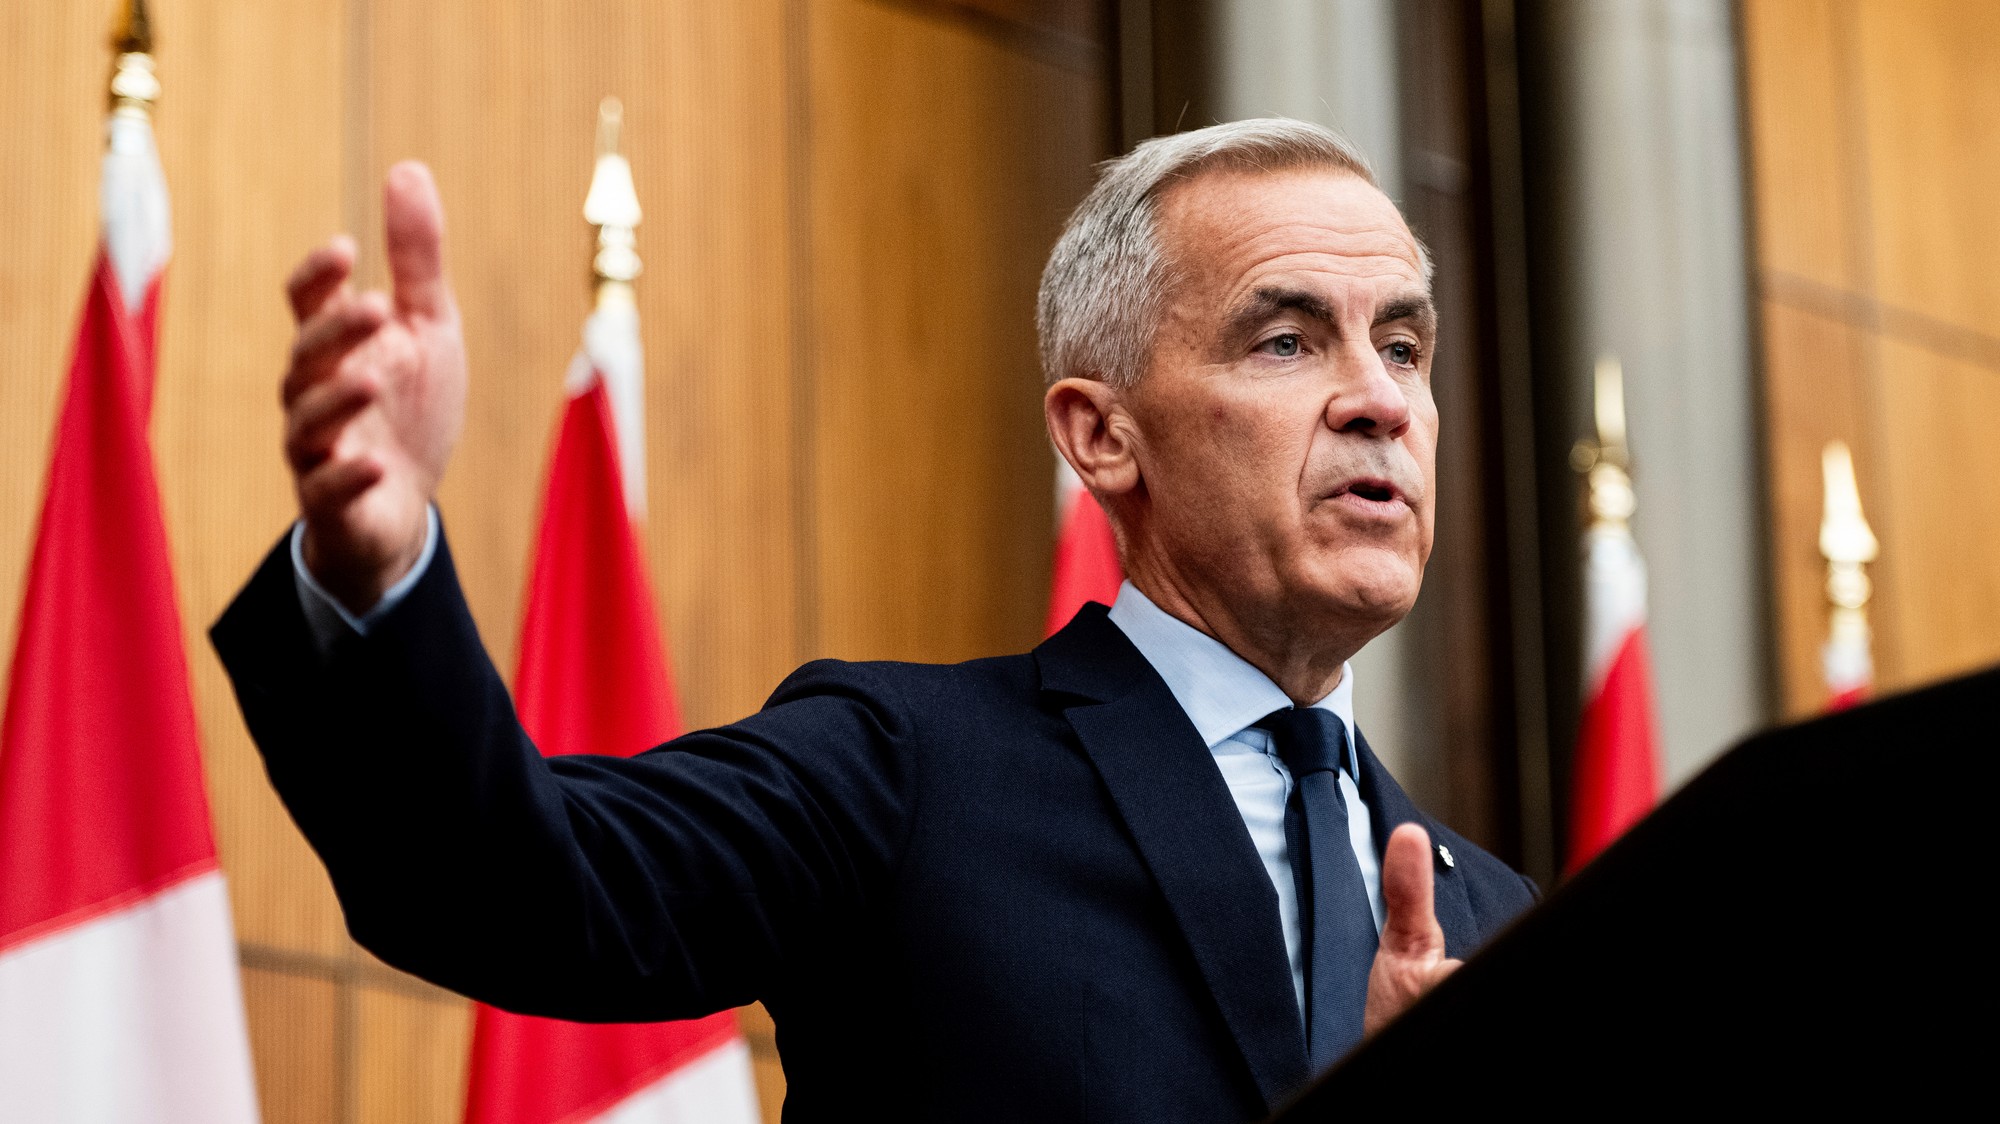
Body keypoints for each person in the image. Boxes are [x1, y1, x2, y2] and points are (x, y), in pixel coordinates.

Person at [213, 118, 1536, 1122]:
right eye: (1287, 342)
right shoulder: (910, 771)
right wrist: (379, 577)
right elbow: (520, 886)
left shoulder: (1492, 916)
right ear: (1102, 434)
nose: (1380, 401)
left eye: (1403, 347)